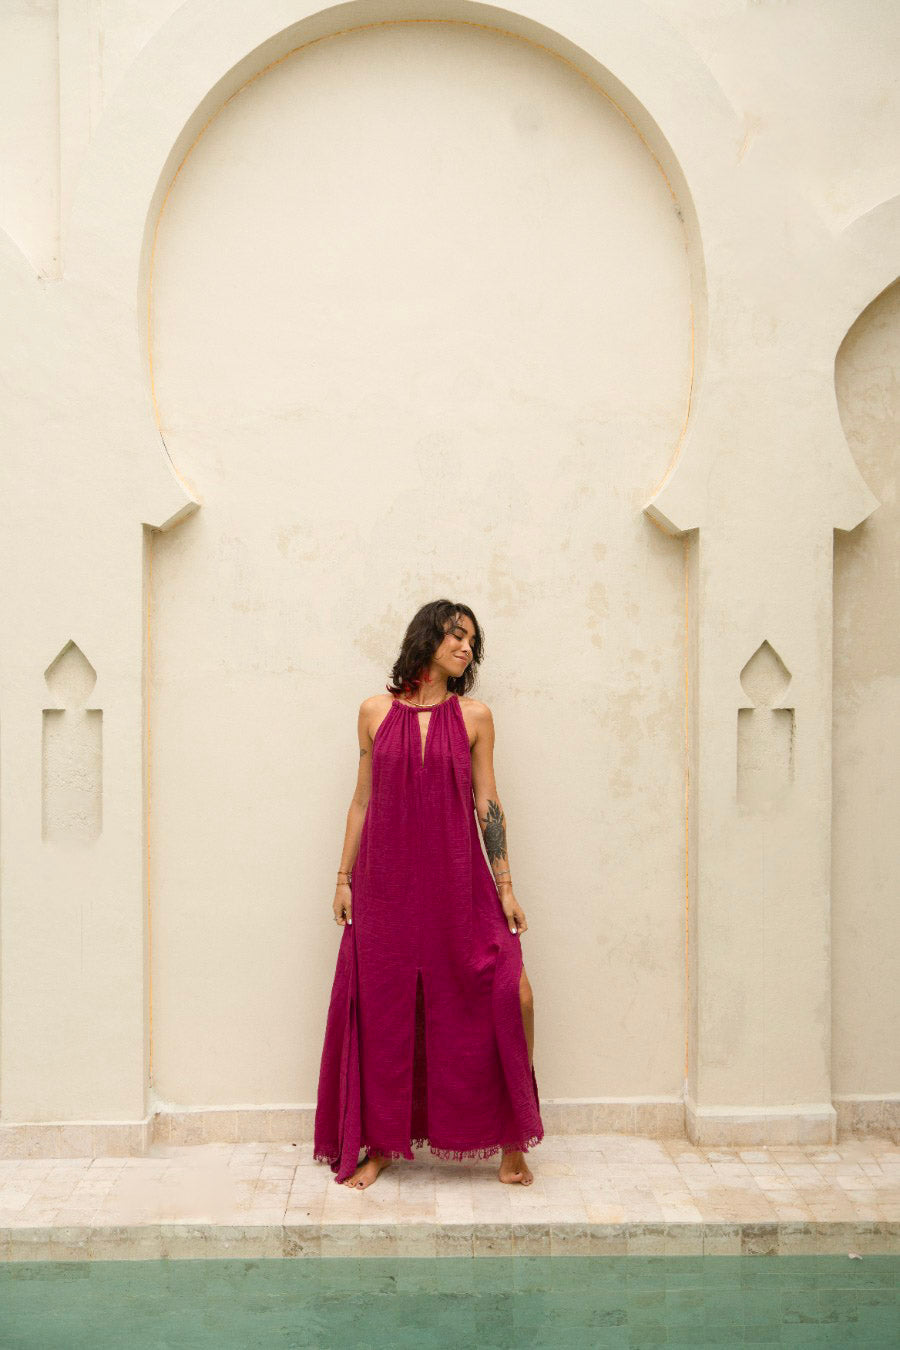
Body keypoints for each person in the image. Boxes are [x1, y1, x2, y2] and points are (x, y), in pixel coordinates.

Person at [313, 599, 543, 1189]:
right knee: (388, 1012)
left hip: (458, 884)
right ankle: (383, 1145)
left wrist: (506, 888)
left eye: (472, 642)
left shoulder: (475, 717)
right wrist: (342, 879)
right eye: (456, 636)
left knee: (511, 991)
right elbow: (362, 799)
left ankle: (513, 1137)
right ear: (428, 639)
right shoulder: (372, 712)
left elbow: (487, 804)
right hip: (384, 886)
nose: (466, 648)